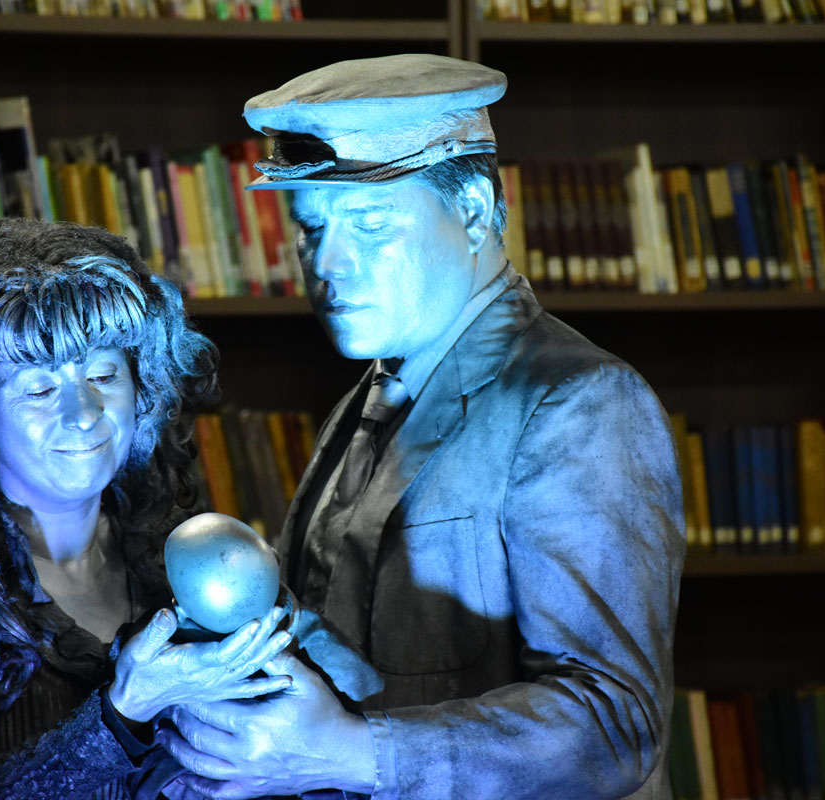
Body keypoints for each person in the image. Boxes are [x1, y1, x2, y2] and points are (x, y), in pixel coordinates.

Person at [160, 54, 687, 799]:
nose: (328, 262)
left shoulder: (582, 404)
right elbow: (364, 664)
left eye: (371, 224)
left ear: (472, 209)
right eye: (311, 228)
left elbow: (614, 724)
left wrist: (352, 753)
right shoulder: (369, 399)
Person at [0, 217, 298, 800]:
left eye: (103, 374)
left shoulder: (169, 552)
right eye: (40, 389)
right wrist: (125, 709)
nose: (84, 413)